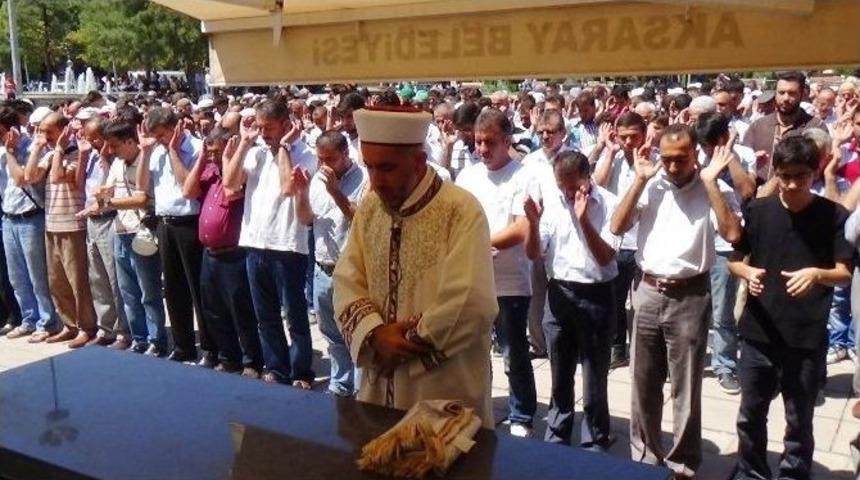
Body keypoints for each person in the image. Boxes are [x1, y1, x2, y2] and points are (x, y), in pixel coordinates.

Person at [333, 106, 498, 428]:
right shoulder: (370, 208)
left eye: (387, 168)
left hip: (442, 392)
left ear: (419, 161)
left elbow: (471, 302)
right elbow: (347, 279)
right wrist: (374, 334)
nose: (376, 181)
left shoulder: (461, 211)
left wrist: (401, 342)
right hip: (377, 391)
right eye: (369, 167)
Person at [610, 123, 742, 478]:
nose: (671, 166)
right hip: (648, 291)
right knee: (643, 382)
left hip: (690, 294)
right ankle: (645, 457)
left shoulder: (713, 186)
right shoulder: (650, 183)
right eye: (666, 158)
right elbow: (617, 226)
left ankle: (682, 463)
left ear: (695, 154)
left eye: (680, 159)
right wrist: (639, 180)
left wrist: (712, 183)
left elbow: (733, 233)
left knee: (686, 386)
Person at [728, 135, 852, 480]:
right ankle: (751, 472)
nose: (794, 185)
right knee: (750, 414)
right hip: (759, 332)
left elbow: (844, 274)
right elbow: (734, 261)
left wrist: (816, 274)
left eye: (802, 176)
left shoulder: (833, 215)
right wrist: (747, 272)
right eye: (786, 176)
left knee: (799, 419)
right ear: (776, 174)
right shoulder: (758, 211)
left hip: (805, 336)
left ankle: (794, 474)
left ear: (815, 172)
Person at [524, 150, 619, 450]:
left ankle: (595, 439)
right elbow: (533, 253)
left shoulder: (609, 203)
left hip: (596, 295)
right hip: (560, 295)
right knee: (559, 373)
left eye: (573, 186)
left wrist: (584, 220)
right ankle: (557, 434)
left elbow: (606, 256)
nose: (567, 193)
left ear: (588, 177)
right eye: (561, 186)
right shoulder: (553, 204)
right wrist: (533, 224)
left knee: (594, 376)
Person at [223, 100, 317, 387]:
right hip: (255, 243)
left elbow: (288, 188)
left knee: (294, 316)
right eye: (260, 127)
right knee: (265, 316)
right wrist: (243, 143)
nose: (263, 134)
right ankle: (277, 369)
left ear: (286, 125)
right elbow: (230, 184)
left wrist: (284, 147)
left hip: (287, 246)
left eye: (269, 128)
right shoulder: (256, 153)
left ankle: (300, 372)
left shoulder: (306, 154)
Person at [456, 108, 536, 437]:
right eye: (478, 142)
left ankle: (521, 415)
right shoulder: (468, 176)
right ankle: (479, 407)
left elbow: (521, 227)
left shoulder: (524, 175)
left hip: (509, 282)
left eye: (489, 142)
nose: (482, 149)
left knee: (513, 353)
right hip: (472, 280)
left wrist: (478, 244)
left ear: (506, 141)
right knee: (473, 353)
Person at [182, 127, 263, 377]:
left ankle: (252, 361)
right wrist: (201, 160)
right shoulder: (209, 172)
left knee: (240, 311)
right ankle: (229, 358)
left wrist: (229, 157)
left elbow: (231, 189)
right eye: (209, 151)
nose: (212, 156)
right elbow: (188, 192)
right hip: (210, 254)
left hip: (233, 254)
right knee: (214, 310)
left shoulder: (240, 174)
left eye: (216, 152)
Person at [297, 130, 368, 396]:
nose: (324, 165)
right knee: (331, 334)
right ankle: (340, 384)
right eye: (320, 159)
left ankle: (361, 390)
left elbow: (362, 221)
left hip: (351, 272)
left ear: (345, 154)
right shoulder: (317, 180)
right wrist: (301, 193)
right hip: (322, 269)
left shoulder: (364, 179)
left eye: (330, 159)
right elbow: (306, 219)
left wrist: (336, 192)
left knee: (357, 335)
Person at [136, 107, 210, 362]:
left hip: (190, 223)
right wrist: (145, 152)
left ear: (176, 128)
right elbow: (141, 186)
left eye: (161, 134)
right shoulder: (155, 151)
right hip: (165, 223)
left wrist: (175, 151)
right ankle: (183, 346)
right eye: (155, 136)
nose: (158, 140)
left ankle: (210, 348)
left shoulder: (196, 148)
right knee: (174, 289)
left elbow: (188, 186)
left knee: (198, 289)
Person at [694, 112, 756, 394]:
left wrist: (728, 157)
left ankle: (725, 365)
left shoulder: (743, 155)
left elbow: (748, 191)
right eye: (703, 145)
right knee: (693, 311)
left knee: (722, 313)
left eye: (710, 144)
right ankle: (692, 360)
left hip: (724, 247)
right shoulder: (696, 156)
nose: (707, 150)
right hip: (697, 243)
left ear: (723, 137)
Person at [94, 120, 167, 354]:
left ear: (129, 142)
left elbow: (141, 199)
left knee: (149, 292)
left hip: (142, 231)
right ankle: (139, 339)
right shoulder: (117, 163)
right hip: (121, 231)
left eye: (114, 145)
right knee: (128, 292)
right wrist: (102, 196)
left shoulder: (148, 161)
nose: (111, 150)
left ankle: (157, 340)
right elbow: (107, 191)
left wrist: (109, 202)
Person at [24, 112, 96, 347]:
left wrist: (58, 149)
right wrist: (37, 148)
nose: (44, 135)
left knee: (78, 282)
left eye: (49, 131)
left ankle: (86, 327)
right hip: (52, 223)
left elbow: (57, 177)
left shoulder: (75, 153)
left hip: (73, 225)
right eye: (42, 131)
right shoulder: (49, 153)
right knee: (57, 281)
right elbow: (29, 176)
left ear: (64, 131)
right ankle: (69, 324)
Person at [592, 112, 653, 369]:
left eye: (633, 137)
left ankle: (644, 351)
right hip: (616, 242)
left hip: (643, 242)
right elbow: (597, 183)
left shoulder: (654, 162)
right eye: (622, 137)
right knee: (615, 301)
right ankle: (617, 348)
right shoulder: (613, 159)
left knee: (642, 306)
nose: (628, 142)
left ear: (644, 135)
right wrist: (609, 150)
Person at [0, 110, 57, 341]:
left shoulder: (33, 147)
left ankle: (47, 321)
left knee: (37, 275)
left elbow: (21, 179)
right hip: (9, 217)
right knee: (17, 277)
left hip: (31, 217)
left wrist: (11, 153)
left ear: (12, 129)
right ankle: (28, 319)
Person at [77, 117, 130, 348]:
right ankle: (106, 328)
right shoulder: (89, 156)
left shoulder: (116, 159)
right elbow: (80, 185)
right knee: (97, 278)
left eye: (95, 139)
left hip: (109, 220)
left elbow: (111, 191)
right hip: (92, 221)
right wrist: (84, 156)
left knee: (114, 278)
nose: (91, 143)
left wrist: (105, 158)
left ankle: (123, 331)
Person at [743, 71, 827, 182]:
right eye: (781, 93)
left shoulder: (816, 127)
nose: (786, 98)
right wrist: (752, 160)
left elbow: (821, 169)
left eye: (792, 93)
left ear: (802, 94)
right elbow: (743, 163)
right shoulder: (758, 126)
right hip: (760, 190)